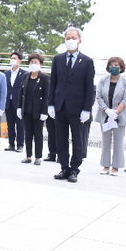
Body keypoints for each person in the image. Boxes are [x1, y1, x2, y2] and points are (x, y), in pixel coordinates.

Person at [48, 27, 95, 183]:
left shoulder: (87, 61)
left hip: (77, 107)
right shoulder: (58, 59)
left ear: (79, 41)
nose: (70, 40)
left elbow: (89, 88)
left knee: (77, 140)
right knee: (60, 138)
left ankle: (75, 169)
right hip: (60, 106)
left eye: (73, 38)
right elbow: (53, 83)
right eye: (68, 38)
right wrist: (50, 105)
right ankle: (64, 167)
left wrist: (87, 109)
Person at [95, 57, 126, 176]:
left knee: (118, 142)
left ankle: (116, 166)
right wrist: (106, 110)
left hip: (119, 115)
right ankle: (105, 165)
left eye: (116, 66)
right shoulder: (103, 80)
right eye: (111, 65)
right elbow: (98, 96)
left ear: (121, 68)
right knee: (106, 141)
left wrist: (115, 112)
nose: (113, 68)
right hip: (105, 115)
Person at [17, 53, 49, 165]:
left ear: (40, 64)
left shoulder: (44, 78)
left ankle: (38, 157)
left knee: (38, 135)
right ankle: (28, 156)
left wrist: (45, 111)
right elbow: (21, 93)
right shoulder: (26, 76)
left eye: (35, 62)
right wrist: (19, 107)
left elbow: (46, 96)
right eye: (31, 62)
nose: (33, 64)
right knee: (28, 134)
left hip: (38, 111)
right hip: (27, 110)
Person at [3, 52, 27, 152]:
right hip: (9, 102)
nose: (12, 60)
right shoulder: (6, 74)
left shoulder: (24, 74)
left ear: (20, 61)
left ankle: (20, 144)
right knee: (10, 123)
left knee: (20, 124)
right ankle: (11, 144)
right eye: (11, 58)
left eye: (15, 58)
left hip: (19, 103)